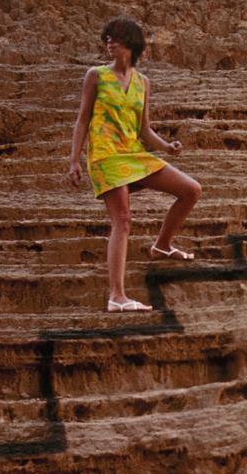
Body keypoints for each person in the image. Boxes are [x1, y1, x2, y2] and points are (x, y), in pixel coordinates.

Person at [69, 16, 202, 311]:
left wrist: (167, 146)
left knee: (191, 190)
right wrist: (74, 159)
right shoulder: (96, 75)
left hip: (133, 153)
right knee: (123, 220)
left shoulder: (143, 83)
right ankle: (116, 296)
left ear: (132, 43)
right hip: (105, 155)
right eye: (107, 37)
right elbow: (82, 119)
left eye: (115, 37)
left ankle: (162, 246)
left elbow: (144, 130)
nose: (109, 42)